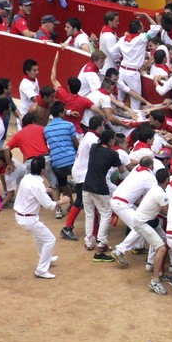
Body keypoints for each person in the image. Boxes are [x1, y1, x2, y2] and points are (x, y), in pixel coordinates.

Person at [14, 156, 71, 279]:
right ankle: (41, 269)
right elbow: (48, 205)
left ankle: (46, 258)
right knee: (50, 240)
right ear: (42, 170)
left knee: (40, 238)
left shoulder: (27, 178)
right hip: (29, 219)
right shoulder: (37, 185)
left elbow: (31, 191)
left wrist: (44, 191)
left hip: (21, 216)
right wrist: (62, 201)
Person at [83, 129, 122, 260]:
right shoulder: (112, 153)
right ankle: (102, 242)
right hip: (100, 186)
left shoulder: (94, 147)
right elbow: (121, 169)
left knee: (89, 214)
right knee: (106, 213)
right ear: (110, 140)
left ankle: (89, 241)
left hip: (86, 185)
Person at [132, 168, 171, 295]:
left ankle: (161, 272)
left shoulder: (156, 189)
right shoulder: (161, 194)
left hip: (148, 221)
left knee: (166, 241)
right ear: (167, 179)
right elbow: (167, 212)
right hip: (143, 223)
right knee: (162, 248)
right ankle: (155, 281)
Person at [44, 102, 79, 218]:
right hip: (72, 161)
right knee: (80, 183)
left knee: (63, 184)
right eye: (64, 110)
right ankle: (76, 204)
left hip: (58, 163)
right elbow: (75, 143)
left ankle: (71, 203)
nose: (65, 112)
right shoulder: (69, 125)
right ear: (60, 113)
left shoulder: (46, 129)